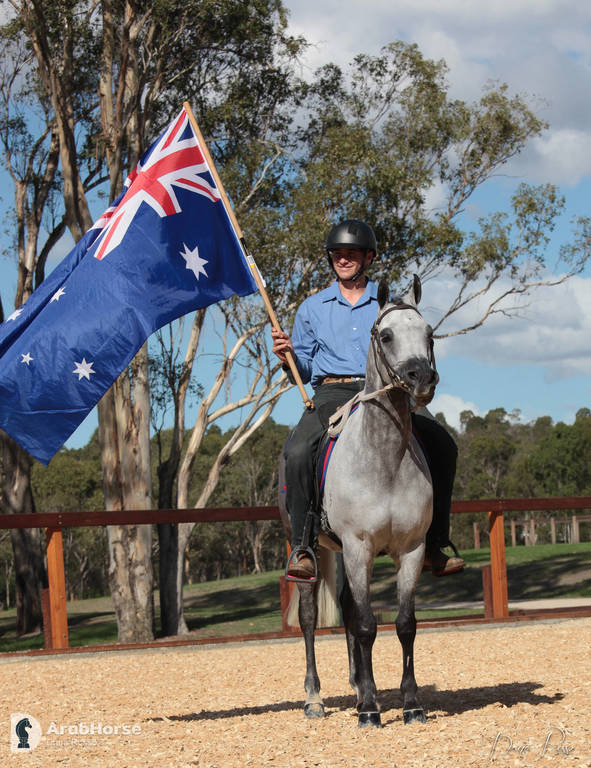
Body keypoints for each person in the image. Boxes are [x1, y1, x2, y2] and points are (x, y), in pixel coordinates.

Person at [272, 218, 465, 580]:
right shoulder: (312, 308)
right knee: (298, 451)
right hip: (332, 392)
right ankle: (303, 547)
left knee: (442, 444)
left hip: (384, 393)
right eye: (337, 254)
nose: (343, 259)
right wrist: (288, 358)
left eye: (352, 253)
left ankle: (435, 544)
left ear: (368, 257)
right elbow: (303, 365)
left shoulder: (389, 304)